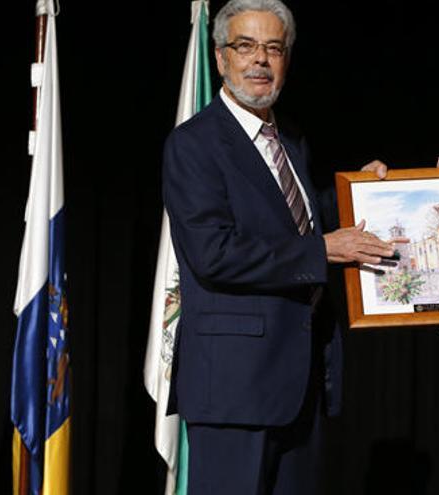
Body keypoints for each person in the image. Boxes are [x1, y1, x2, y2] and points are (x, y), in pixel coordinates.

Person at [161, 1, 396, 493]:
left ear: (287, 59)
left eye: (273, 48)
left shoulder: (290, 140)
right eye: (245, 47)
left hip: (300, 379)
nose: (260, 60)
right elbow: (214, 252)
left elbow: (291, 224)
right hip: (233, 387)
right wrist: (323, 251)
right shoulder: (194, 144)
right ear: (221, 58)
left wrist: (365, 194)